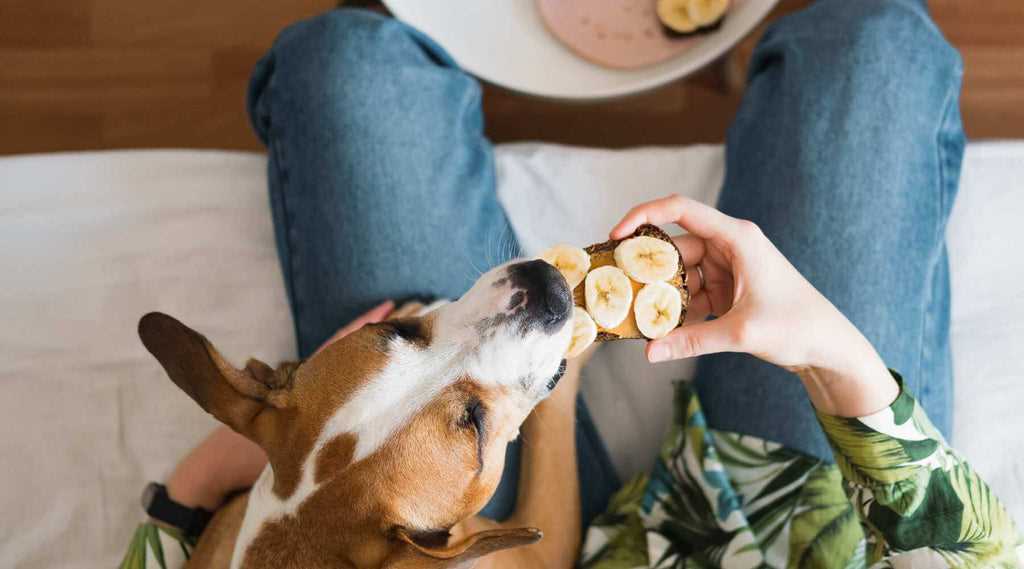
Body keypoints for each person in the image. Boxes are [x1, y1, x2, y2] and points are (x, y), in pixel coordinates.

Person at [121, 0, 1022, 567]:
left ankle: (421, 374)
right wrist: (832, 354)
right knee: (870, 45)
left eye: (411, 343)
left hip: (397, 489)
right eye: (463, 410)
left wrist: (264, 448)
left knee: (343, 62)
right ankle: (775, 74)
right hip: (792, 522)